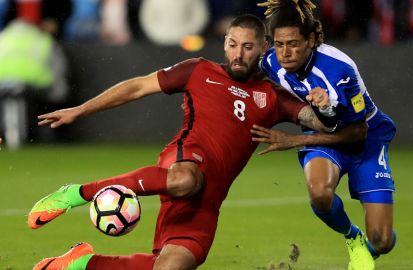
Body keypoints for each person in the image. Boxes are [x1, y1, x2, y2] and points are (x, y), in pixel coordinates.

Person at [28, 14, 327, 270]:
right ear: (224, 43)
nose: (238, 54)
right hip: (181, 163)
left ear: (263, 47)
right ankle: (76, 193)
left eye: (248, 47)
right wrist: (80, 110)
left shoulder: (273, 96)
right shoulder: (199, 70)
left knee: (169, 265)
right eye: (232, 45)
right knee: (186, 179)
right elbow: (137, 87)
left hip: (207, 203)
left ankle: (82, 263)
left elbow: (321, 122)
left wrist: (323, 106)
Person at [253, 1, 397, 269]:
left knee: (382, 241)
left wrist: (295, 140)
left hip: (365, 136)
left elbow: (357, 132)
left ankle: (369, 245)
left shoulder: (339, 70)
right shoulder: (273, 60)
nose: (284, 52)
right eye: (279, 43)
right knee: (319, 192)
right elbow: (240, 74)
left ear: (310, 40)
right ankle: (353, 237)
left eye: (293, 43)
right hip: (325, 131)